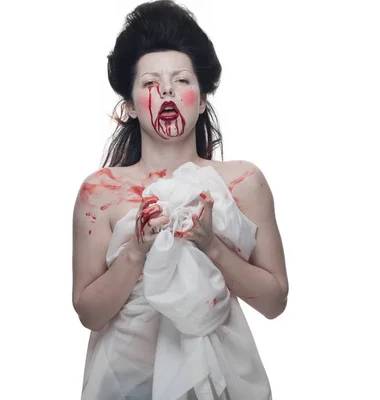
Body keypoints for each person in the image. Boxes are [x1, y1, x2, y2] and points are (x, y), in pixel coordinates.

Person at [72, 1, 288, 398]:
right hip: (125, 382)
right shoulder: (99, 192)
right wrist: (136, 251)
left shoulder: (244, 182)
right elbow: (89, 313)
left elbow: (275, 301)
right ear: (130, 107)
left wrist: (211, 246)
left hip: (220, 379)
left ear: (203, 99)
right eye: (151, 82)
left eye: (182, 80)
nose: (167, 89)